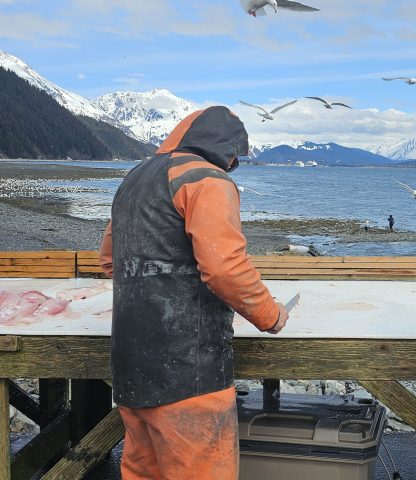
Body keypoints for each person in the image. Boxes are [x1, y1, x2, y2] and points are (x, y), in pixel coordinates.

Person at [99, 106, 289, 480]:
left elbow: (110, 261)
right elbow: (224, 268)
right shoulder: (206, 179)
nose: (235, 163)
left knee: (142, 472)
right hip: (191, 373)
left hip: (131, 367)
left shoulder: (134, 179)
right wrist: (270, 314)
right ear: (225, 147)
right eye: (236, 154)